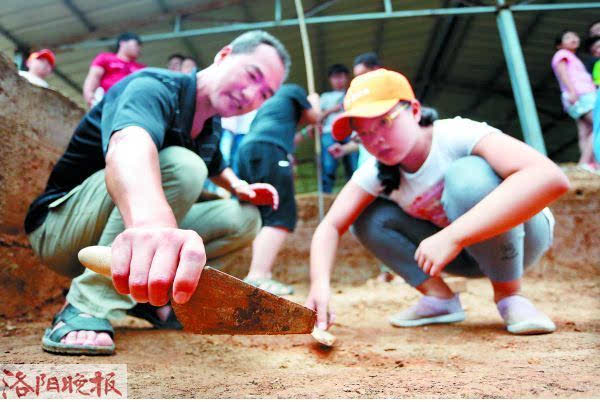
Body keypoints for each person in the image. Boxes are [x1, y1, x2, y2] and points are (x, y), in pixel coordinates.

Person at [25, 30, 290, 356]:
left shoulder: (210, 125)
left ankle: (152, 300)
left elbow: (217, 165)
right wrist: (152, 224)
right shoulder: (151, 87)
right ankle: (85, 305)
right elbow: (129, 145)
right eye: (252, 75)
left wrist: (239, 187)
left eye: (264, 94)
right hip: (59, 229)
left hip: (113, 243)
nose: (251, 95)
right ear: (224, 55)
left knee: (245, 218)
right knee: (184, 165)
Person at [305, 69, 570, 336]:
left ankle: (510, 297)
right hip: (462, 255)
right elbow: (329, 226)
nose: (377, 140)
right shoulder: (375, 172)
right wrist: (319, 286)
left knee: (467, 176)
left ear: (415, 111)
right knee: (365, 217)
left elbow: (550, 177)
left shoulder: (456, 134)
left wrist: (453, 236)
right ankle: (440, 299)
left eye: (385, 121)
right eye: (364, 134)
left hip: (523, 238)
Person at [236, 84, 320, 295]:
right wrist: (314, 101)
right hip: (269, 150)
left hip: (248, 151)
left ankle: (257, 274)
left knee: (264, 216)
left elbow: (292, 137)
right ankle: (258, 276)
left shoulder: (270, 110)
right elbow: (314, 116)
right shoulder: (293, 89)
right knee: (281, 214)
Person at [551, 30, 597, 169]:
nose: (573, 38)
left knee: (585, 131)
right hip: (581, 95)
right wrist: (572, 91)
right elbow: (563, 73)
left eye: (575, 36)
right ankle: (585, 163)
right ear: (559, 45)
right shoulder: (562, 54)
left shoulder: (572, 57)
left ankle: (589, 164)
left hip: (580, 96)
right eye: (568, 37)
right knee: (597, 126)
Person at [319, 64, 358, 193]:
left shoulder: (353, 94)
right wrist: (333, 109)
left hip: (350, 133)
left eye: (341, 77)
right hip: (329, 132)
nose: (339, 80)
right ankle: (326, 196)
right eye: (335, 77)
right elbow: (318, 117)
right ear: (330, 79)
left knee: (354, 167)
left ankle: (355, 194)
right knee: (328, 167)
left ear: (347, 78)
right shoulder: (325, 97)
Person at [83, 32, 146, 108]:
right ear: (123, 43)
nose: (138, 49)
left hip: (131, 104)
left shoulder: (141, 68)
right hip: (108, 102)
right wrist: (89, 93)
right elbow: (94, 76)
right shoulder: (105, 58)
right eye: (136, 45)